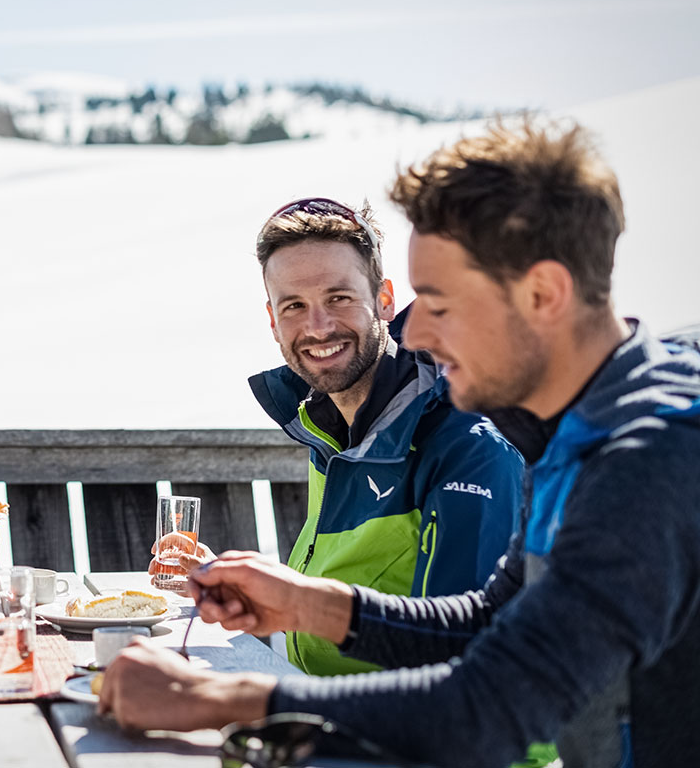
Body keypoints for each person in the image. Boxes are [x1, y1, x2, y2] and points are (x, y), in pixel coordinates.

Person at [102, 121, 700, 768]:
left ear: (543, 294)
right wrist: (304, 602)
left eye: (439, 303)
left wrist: (220, 697)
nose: (415, 336)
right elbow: (489, 622)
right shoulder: (570, 429)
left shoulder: (648, 457)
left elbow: (494, 705)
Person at [152, 198, 523, 677]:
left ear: (385, 300)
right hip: (320, 704)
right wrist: (241, 587)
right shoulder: (330, 432)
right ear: (273, 322)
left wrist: (263, 696)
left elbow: (463, 663)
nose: (318, 327)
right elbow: (340, 609)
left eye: (339, 298)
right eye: (294, 306)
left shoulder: (469, 448)